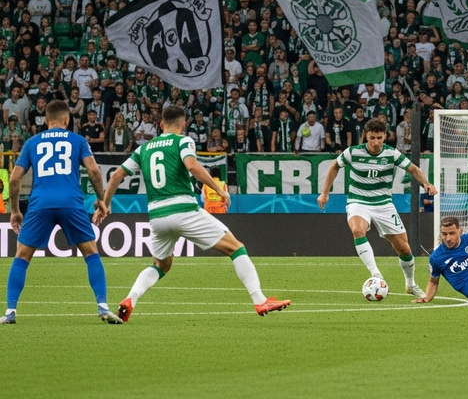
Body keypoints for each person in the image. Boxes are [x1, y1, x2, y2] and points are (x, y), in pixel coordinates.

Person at [96, 105, 290, 320]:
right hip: (184, 210)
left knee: (161, 265)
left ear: (161, 124)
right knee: (236, 248)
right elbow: (192, 166)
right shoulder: (183, 141)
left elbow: (115, 177)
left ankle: (130, 299)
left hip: (157, 217)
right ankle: (259, 300)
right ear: (183, 124)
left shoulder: (144, 148)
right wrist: (218, 189)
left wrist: (105, 204)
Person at [0, 100, 123, 325]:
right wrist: (101, 200)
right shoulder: (78, 140)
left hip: (40, 203)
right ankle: (102, 306)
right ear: (67, 120)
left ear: (46, 121)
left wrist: (16, 211)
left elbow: (15, 178)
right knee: (91, 253)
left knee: (22, 256)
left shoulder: (32, 142)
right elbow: (94, 171)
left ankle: (10, 311)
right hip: (70, 202)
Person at [317, 117, 436, 297]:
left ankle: (410, 284)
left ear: (384, 137)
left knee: (404, 249)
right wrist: (325, 192)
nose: (376, 142)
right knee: (357, 230)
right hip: (358, 202)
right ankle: (376, 275)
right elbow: (334, 166)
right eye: (372, 138)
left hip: (383, 205)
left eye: (379, 138)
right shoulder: (353, 152)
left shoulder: (391, 154)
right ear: (366, 136)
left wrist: (426, 184)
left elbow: (413, 169)